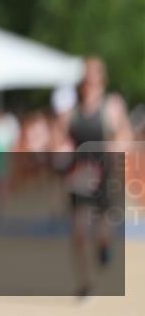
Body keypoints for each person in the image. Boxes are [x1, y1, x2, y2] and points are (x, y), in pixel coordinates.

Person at [53, 56, 133, 299]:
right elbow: (57, 138)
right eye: (87, 75)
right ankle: (85, 284)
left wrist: (116, 147)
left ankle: (104, 247)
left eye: (95, 74)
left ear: (102, 78)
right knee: (78, 233)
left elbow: (125, 135)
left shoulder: (112, 105)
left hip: (106, 176)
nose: (90, 80)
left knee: (102, 232)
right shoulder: (71, 111)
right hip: (80, 176)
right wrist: (61, 151)